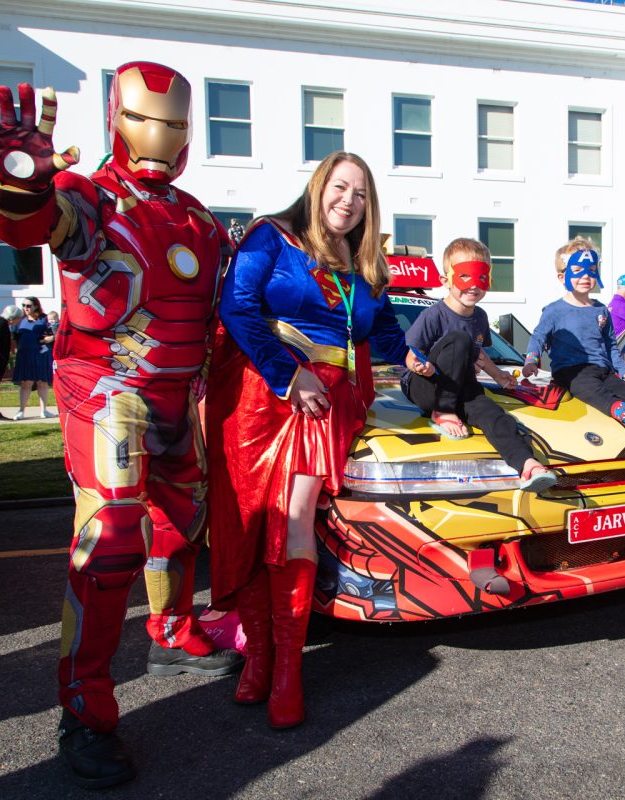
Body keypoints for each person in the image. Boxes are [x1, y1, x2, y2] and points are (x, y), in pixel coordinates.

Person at [0, 63, 242, 788]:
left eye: (177, 123)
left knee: (183, 514)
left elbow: (226, 316)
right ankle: (84, 710)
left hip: (176, 396)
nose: (161, 136)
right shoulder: (89, 197)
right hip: (108, 389)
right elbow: (27, 221)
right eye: (146, 118)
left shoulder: (199, 219)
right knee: (113, 532)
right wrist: (23, 173)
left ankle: (172, 629)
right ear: (117, 117)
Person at [206, 151, 417, 730]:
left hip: (324, 402)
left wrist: (431, 359)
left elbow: (389, 332)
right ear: (320, 186)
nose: (349, 201)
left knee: (294, 519)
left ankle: (286, 673)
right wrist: (284, 371)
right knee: (249, 521)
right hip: (258, 395)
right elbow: (238, 306)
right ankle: (259, 658)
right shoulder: (272, 237)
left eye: (361, 194)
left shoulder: (367, 263)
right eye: (341, 188)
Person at [402, 238, 558, 587]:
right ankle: (442, 412)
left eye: (482, 278)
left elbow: (479, 356)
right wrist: (421, 367)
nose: (474, 285)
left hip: (462, 386)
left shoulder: (481, 317)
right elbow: (409, 352)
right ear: (447, 278)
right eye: (466, 277)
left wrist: (502, 377)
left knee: (495, 413)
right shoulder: (434, 314)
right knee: (457, 340)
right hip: (423, 384)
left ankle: (528, 466)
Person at [523, 238, 625, 433]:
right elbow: (538, 337)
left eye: (591, 270)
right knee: (595, 391)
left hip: (602, 369)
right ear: (562, 277)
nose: (585, 276)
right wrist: (531, 360)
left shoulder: (601, 310)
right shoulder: (554, 310)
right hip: (571, 372)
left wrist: (623, 370)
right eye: (577, 271)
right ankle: (621, 412)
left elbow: (611, 345)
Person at [10, 296, 55, 419]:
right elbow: (15, 337)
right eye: (23, 305)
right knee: (26, 382)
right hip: (25, 354)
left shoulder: (44, 318)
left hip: (41, 353)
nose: (25, 308)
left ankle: (44, 410)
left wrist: (51, 338)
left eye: (28, 305)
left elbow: (54, 333)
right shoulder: (20, 320)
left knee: (42, 382)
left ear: (35, 306)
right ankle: (21, 411)